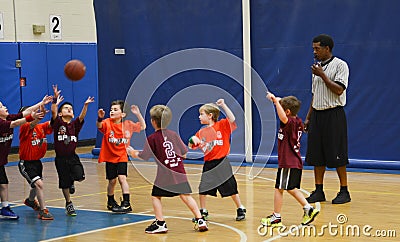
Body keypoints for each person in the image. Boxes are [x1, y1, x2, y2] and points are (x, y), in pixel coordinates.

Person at [128, 105, 208, 233]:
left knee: (156, 196)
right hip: (179, 172)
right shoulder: (173, 134)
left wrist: (133, 153)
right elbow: (184, 153)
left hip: (165, 175)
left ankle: (160, 223)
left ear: (153, 121)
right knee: (186, 196)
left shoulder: (152, 138)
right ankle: (200, 220)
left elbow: (144, 156)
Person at [304, 34, 351, 204]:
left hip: (334, 114)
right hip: (317, 114)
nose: (314, 52)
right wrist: (308, 118)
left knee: (337, 153)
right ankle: (318, 190)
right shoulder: (316, 68)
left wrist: (323, 75)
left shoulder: (340, 65)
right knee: (317, 154)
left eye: (317, 48)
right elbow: (315, 95)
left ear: (327, 49)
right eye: (313, 48)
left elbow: (339, 90)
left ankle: (344, 191)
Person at [261, 92, 319, 227]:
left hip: (288, 161)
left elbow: (282, 115)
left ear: (287, 111)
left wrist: (275, 102)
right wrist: (277, 99)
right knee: (291, 188)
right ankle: (307, 208)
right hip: (295, 161)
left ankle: (276, 217)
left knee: (279, 189)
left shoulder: (288, 122)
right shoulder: (297, 120)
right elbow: (285, 109)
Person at [188, 99, 246, 221]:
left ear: (210, 116)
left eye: (201, 114)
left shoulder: (222, 125)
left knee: (231, 187)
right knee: (203, 188)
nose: (199, 117)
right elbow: (190, 146)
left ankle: (240, 207)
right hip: (209, 163)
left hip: (222, 163)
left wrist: (223, 105)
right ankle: (203, 211)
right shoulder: (201, 132)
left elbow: (232, 119)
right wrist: (192, 140)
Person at [0, 95, 51, 219]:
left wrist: (41, 102)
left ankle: (5, 208)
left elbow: (23, 114)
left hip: (1, 161)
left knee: (3, 183)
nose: (5, 107)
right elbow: (17, 122)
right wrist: (30, 117)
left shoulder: (7, 118)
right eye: (1, 106)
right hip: (22, 161)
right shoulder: (2, 123)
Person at [51, 85, 94, 216]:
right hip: (60, 159)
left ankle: (72, 182)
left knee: (80, 176)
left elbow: (81, 117)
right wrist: (55, 100)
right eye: (66, 108)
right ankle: (69, 203)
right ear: (60, 113)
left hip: (73, 157)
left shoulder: (74, 125)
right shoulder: (58, 123)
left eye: (70, 108)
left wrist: (85, 105)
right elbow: (53, 112)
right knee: (64, 183)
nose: (69, 109)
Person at [96, 100, 146, 213]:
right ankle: (110, 201)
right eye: (111, 109)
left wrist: (138, 114)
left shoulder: (128, 124)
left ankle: (126, 203)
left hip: (122, 156)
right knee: (112, 181)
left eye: (115, 109)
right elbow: (99, 125)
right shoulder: (107, 122)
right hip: (110, 157)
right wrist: (99, 118)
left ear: (122, 114)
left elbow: (143, 126)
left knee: (122, 178)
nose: (112, 111)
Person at [18, 103, 60, 220]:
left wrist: (54, 110)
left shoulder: (41, 127)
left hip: (37, 162)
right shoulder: (24, 127)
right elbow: (31, 124)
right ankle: (43, 210)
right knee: (39, 184)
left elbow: (53, 123)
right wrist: (38, 117)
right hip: (26, 163)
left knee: (36, 185)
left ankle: (30, 201)